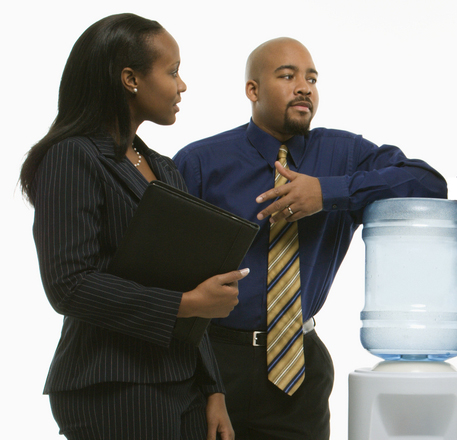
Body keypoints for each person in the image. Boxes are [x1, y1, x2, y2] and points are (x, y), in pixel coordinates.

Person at [173, 37, 447, 440]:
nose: (304, 87)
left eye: (312, 79)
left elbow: (428, 184)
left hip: (299, 369)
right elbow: (167, 271)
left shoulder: (345, 155)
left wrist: (329, 192)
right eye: (287, 76)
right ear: (253, 90)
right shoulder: (199, 163)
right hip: (214, 362)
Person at [19, 13, 248, 440]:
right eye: (173, 72)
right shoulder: (72, 156)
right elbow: (69, 284)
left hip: (183, 381)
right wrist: (185, 304)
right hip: (113, 382)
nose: (182, 85)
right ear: (130, 79)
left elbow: (188, 278)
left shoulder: (163, 168)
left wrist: (214, 390)